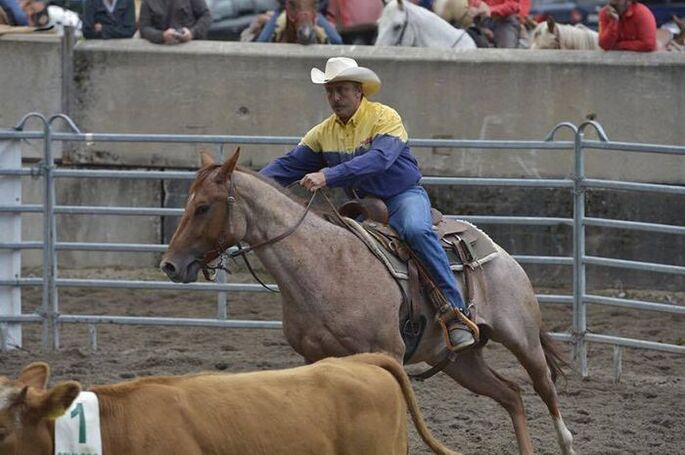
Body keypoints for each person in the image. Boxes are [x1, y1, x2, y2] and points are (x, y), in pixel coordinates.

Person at [260, 57, 476, 352]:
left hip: (402, 196)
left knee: (415, 230)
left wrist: (328, 175)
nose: (335, 98)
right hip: (363, 206)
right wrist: (245, 183)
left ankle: (455, 312)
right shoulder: (322, 133)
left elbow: (379, 159)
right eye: (330, 91)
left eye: (342, 90)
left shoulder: (384, 117)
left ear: (359, 91)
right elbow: (287, 166)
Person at [139, 0, 210, 44]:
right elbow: (144, 28)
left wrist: (192, 33)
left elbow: (206, 16)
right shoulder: (147, 1)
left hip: (192, 47)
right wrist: (162, 36)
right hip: (162, 51)